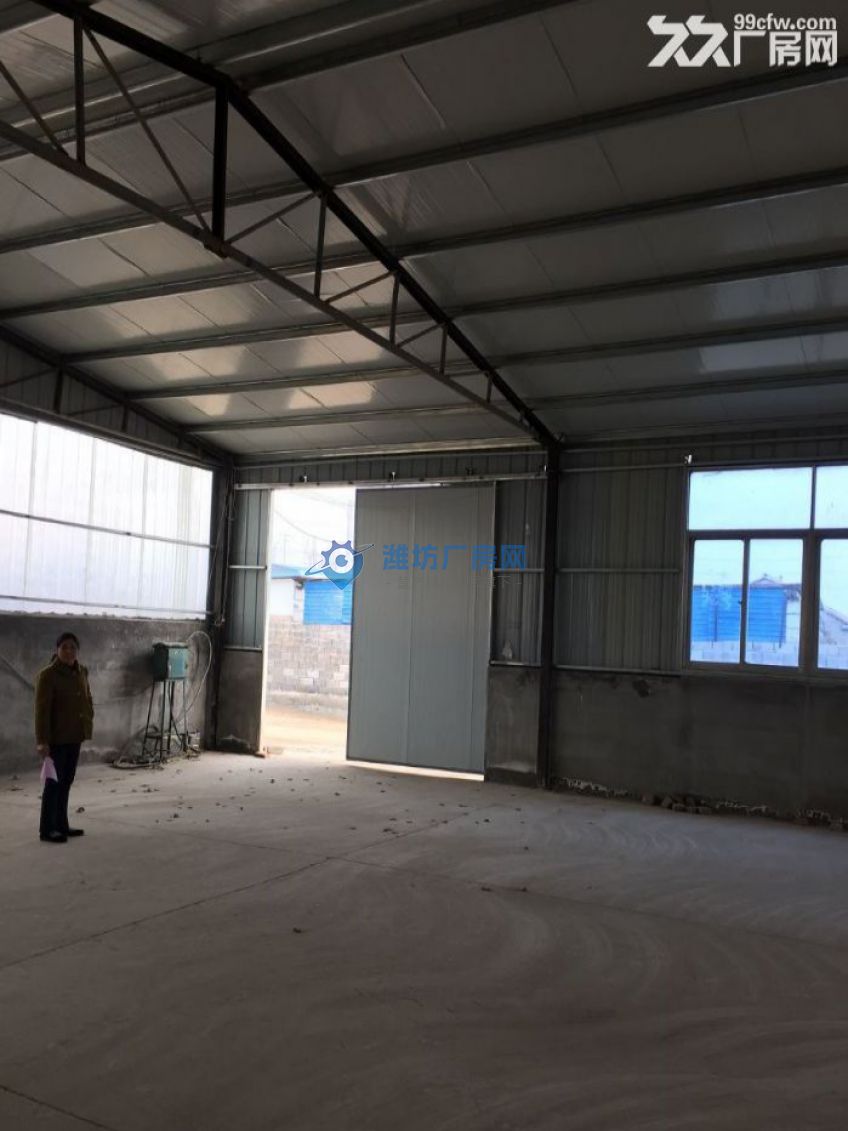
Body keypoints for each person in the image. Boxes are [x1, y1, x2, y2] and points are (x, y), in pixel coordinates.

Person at [35, 632, 94, 844]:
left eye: (72, 647)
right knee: (53, 783)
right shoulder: (48, 675)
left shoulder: (82, 671)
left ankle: (61, 824)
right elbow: (42, 711)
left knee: (66, 781)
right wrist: (42, 741)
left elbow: (87, 699)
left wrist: (88, 719)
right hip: (56, 738)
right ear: (57, 649)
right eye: (64, 647)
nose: (69, 651)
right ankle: (47, 829)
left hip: (75, 736)